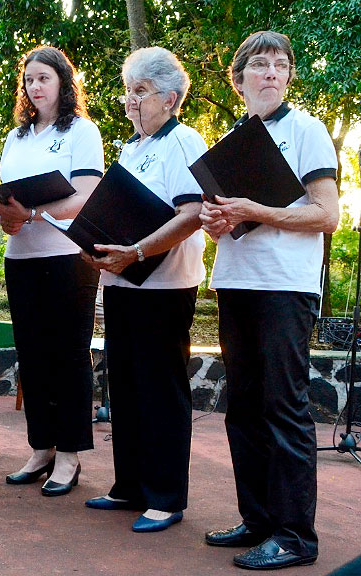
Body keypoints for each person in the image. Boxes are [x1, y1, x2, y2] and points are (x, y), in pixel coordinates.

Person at [201, 31, 337, 571]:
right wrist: (218, 220)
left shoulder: (307, 129)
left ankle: (296, 536)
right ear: (239, 82)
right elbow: (222, 225)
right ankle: (257, 521)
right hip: (237, 281)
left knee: (284, 408)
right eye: (260, 66)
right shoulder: (234, 136)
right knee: (245, 412)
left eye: (282, 66)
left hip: (286, 287)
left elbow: (327, 215)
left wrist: (258, 209)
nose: (273, 74)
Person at [82, 46, 206, 533]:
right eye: (127, 92)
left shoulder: (185, 143)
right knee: (126, 387)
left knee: (161, 390)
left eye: (141, 92)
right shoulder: (131, 148)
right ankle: (129, 486)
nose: (131, 101)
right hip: (123, 284)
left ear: (171, 99)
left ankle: (166, 496)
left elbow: (192, 215)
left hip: (165, 287)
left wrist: (135, 251)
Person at [0, 47, 104, 494]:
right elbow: (7, 200)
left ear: (63, 82)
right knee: (32, 357)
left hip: (67, 258)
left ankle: (71, 455)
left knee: (68, 355)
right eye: (29, 80)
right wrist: (5, 215)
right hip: (20, 258)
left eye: (44, 78)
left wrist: (33, 213)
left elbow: (86, 195)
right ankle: (42, 448)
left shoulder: (82, 131)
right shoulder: (15, 138)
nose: (35, 87)